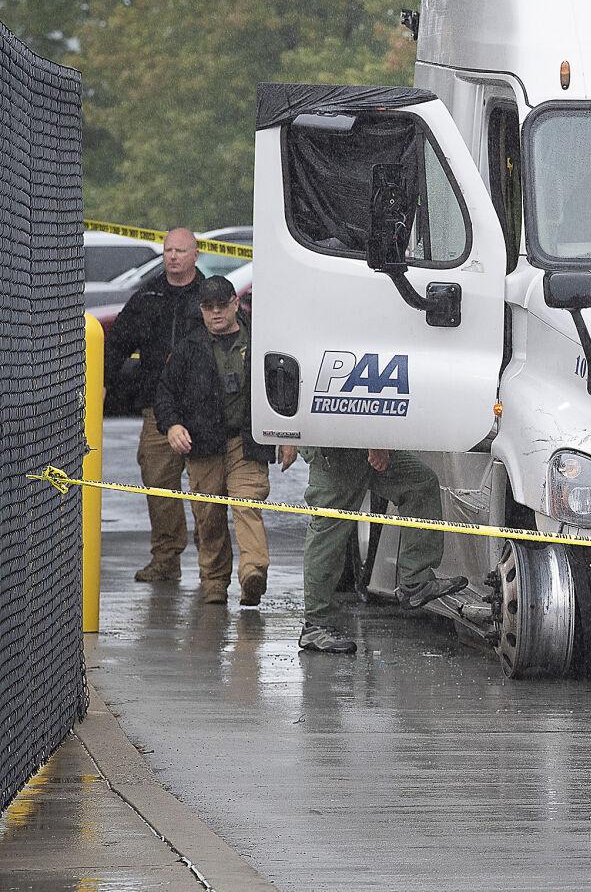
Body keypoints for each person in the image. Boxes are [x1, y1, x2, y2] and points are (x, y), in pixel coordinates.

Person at [155, 275, 272, 605]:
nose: (216, 312)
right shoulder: (189, 348)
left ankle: (253, 572)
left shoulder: (261, 341)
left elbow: (283, 386)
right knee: (208, 516)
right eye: (209, 307)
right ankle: (214, 581)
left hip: (246, 441)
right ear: (202, 310)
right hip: (203, 444)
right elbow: (165, 393)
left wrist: (288, 435)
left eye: (223, 305)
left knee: (247, 504)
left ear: (236, 303)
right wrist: (173, 426)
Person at [294, 445, 468, 654]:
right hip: (337, 448)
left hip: (356, 444)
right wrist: (374, 444)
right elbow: (354, 412)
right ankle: (315, 625)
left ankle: (415, 582)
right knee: (329, 532)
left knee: (418, 483)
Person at [105, 227, 204, 582]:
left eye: (180, 251)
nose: (173, 257)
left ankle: (213, 571)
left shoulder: (208, 298)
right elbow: (116, 345)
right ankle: (165, 560)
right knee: (159, 487)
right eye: (167, 251)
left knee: (207, 494)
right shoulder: (147, 297)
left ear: (195, 254)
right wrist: (103, 384)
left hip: (203, 410)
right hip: (156, 410)